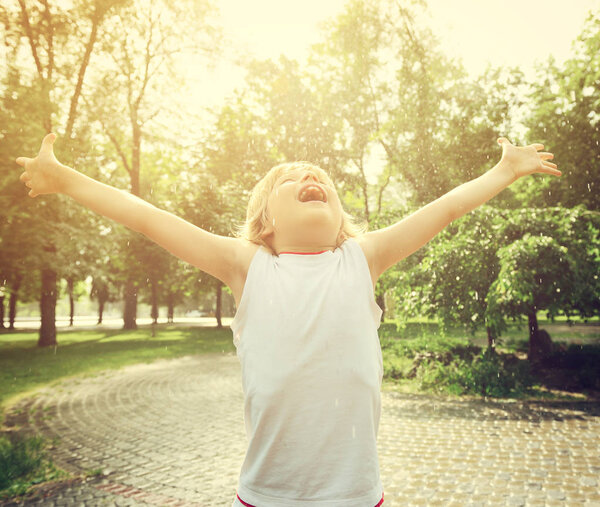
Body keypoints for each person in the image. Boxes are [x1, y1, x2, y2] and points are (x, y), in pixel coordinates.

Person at [16, 134, 560, 506]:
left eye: (320, 178)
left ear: (342, 219)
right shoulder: (247, 265)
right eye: (292, 179)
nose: (310, 177)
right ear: (266, 222)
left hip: (354, 493)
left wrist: (504, 170)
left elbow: (445, 209)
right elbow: (150, 219)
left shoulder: (361, 258)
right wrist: (66, 181)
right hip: (269, 493)